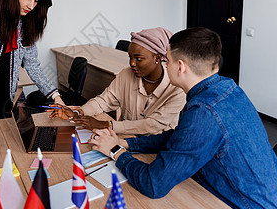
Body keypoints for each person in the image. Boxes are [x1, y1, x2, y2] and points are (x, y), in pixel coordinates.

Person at [90, 27, 277, 209]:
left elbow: (153, 184)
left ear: (180, 66)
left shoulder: (204, 111)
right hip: (259, 204)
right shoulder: (226, 89)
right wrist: (128, 144)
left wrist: (115, 151)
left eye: (167, 60)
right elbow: (182, 135)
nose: (165, 65)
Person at [50, 27, 185, 135]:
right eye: (130, 57)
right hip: (123, 139)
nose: (132, 63)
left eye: (138, 58)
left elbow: (152, 124)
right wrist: (79, 113)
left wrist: (106, 124)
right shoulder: (126, 75)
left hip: (155, 148)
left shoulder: (177, 88)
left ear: (157, 57)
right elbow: (103, 101)